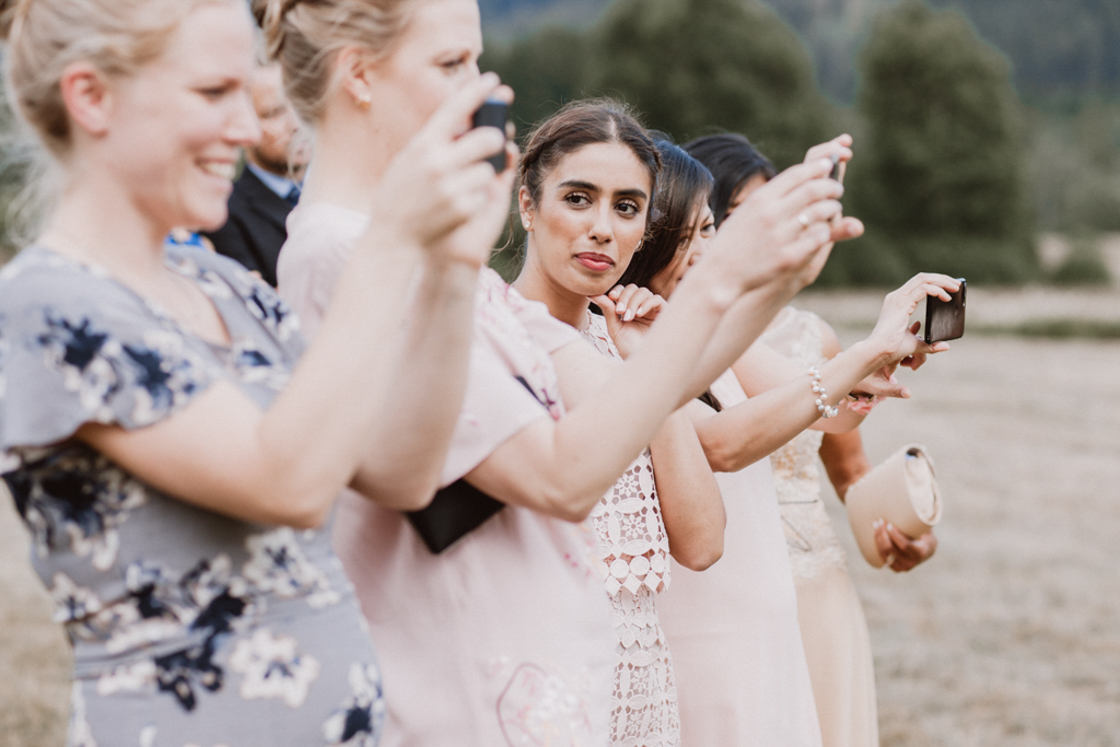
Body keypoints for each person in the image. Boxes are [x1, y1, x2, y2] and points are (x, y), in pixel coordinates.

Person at [267, 0, 858, 741]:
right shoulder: (346, 254)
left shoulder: (419, 259)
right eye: (452, 63)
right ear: (359, 74)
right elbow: (561, 474)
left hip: (542, 679)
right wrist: (721, 281)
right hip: (462, 691)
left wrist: (768, 279)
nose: (483, 89)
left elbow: (635, 399)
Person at [0, 0, 514, 743]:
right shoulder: (48, 304)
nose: (246, 128)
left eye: (247, 92)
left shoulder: (227, 288)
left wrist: (452, 271)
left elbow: (401, 473)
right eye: (214, 92)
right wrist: (390, 242)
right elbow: (290, 484)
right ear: (91, 97)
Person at [618, 136, 958, 746]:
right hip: (701, 609)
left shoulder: (709, 333)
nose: (709, 252)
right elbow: (721, 443)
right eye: (698, 232)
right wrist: (855, 343)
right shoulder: (624, 327)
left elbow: (829, 408)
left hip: (765, 604)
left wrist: (884, 342)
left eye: (711, 230)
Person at [511, 103, 727, 746]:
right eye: (578, 199)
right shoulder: (489, 339)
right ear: (528, 205)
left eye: (626, 207)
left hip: (640, 687)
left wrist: (649, 364)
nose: (602, 229)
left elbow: (702, 542)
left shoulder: (623, 346)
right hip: (531, 686)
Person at [203, 59, 309, 286]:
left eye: (300, 105)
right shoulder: (226, 214)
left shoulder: (343, 183)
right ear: (245, 125)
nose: (296, 124)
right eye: (274, 113)